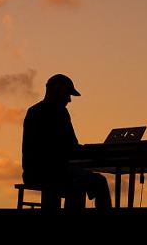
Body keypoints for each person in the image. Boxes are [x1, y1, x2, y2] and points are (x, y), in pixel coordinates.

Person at [21, 74, 111, 210]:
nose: (69, 99)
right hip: (48, 172)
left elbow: (67, 147)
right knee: (99, 182)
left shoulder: (34, 111)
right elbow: (68, 147)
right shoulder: (59, 113)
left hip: (35, 172)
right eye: (67, 94)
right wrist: (91, 151)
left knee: (77, 183)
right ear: (58, 91)